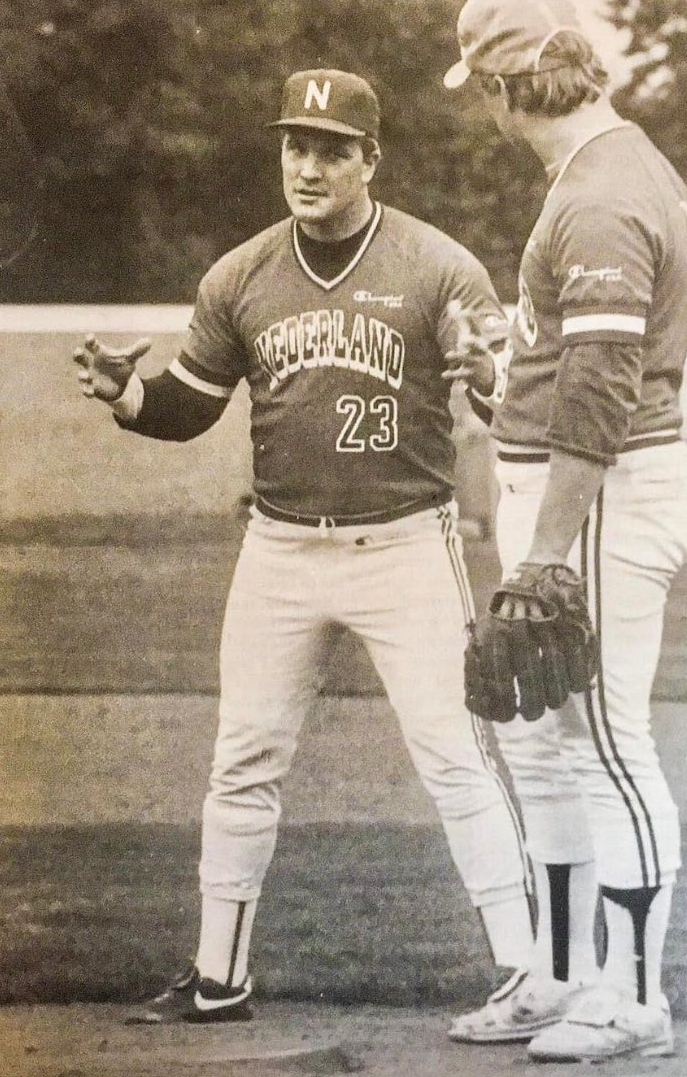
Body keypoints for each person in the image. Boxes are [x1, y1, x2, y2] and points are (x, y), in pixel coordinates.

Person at [73, 68, 535, 1025]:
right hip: (278, 550)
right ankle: (219, 978)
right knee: (242, 760)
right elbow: (187, 408)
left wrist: (489, 374)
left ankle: (528, 973)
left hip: (406, 544)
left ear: (372, 158)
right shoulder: (240, 274)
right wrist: (125, 393)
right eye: (295, 145)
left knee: (454, 754)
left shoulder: (438, 264)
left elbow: (502, 400)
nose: (309, 165)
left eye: (331, 148)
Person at [442, 0, 687, 1062]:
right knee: (542, 742)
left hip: (597, 495)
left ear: (507, 91)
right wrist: (500, 377)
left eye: (486, 93)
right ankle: (560, 977)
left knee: (601, 739)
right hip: (575, 481)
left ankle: (636, 1000)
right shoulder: (604, 174)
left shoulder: (600, 196)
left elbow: (601, 389)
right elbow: (572, 366)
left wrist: (548, 547)